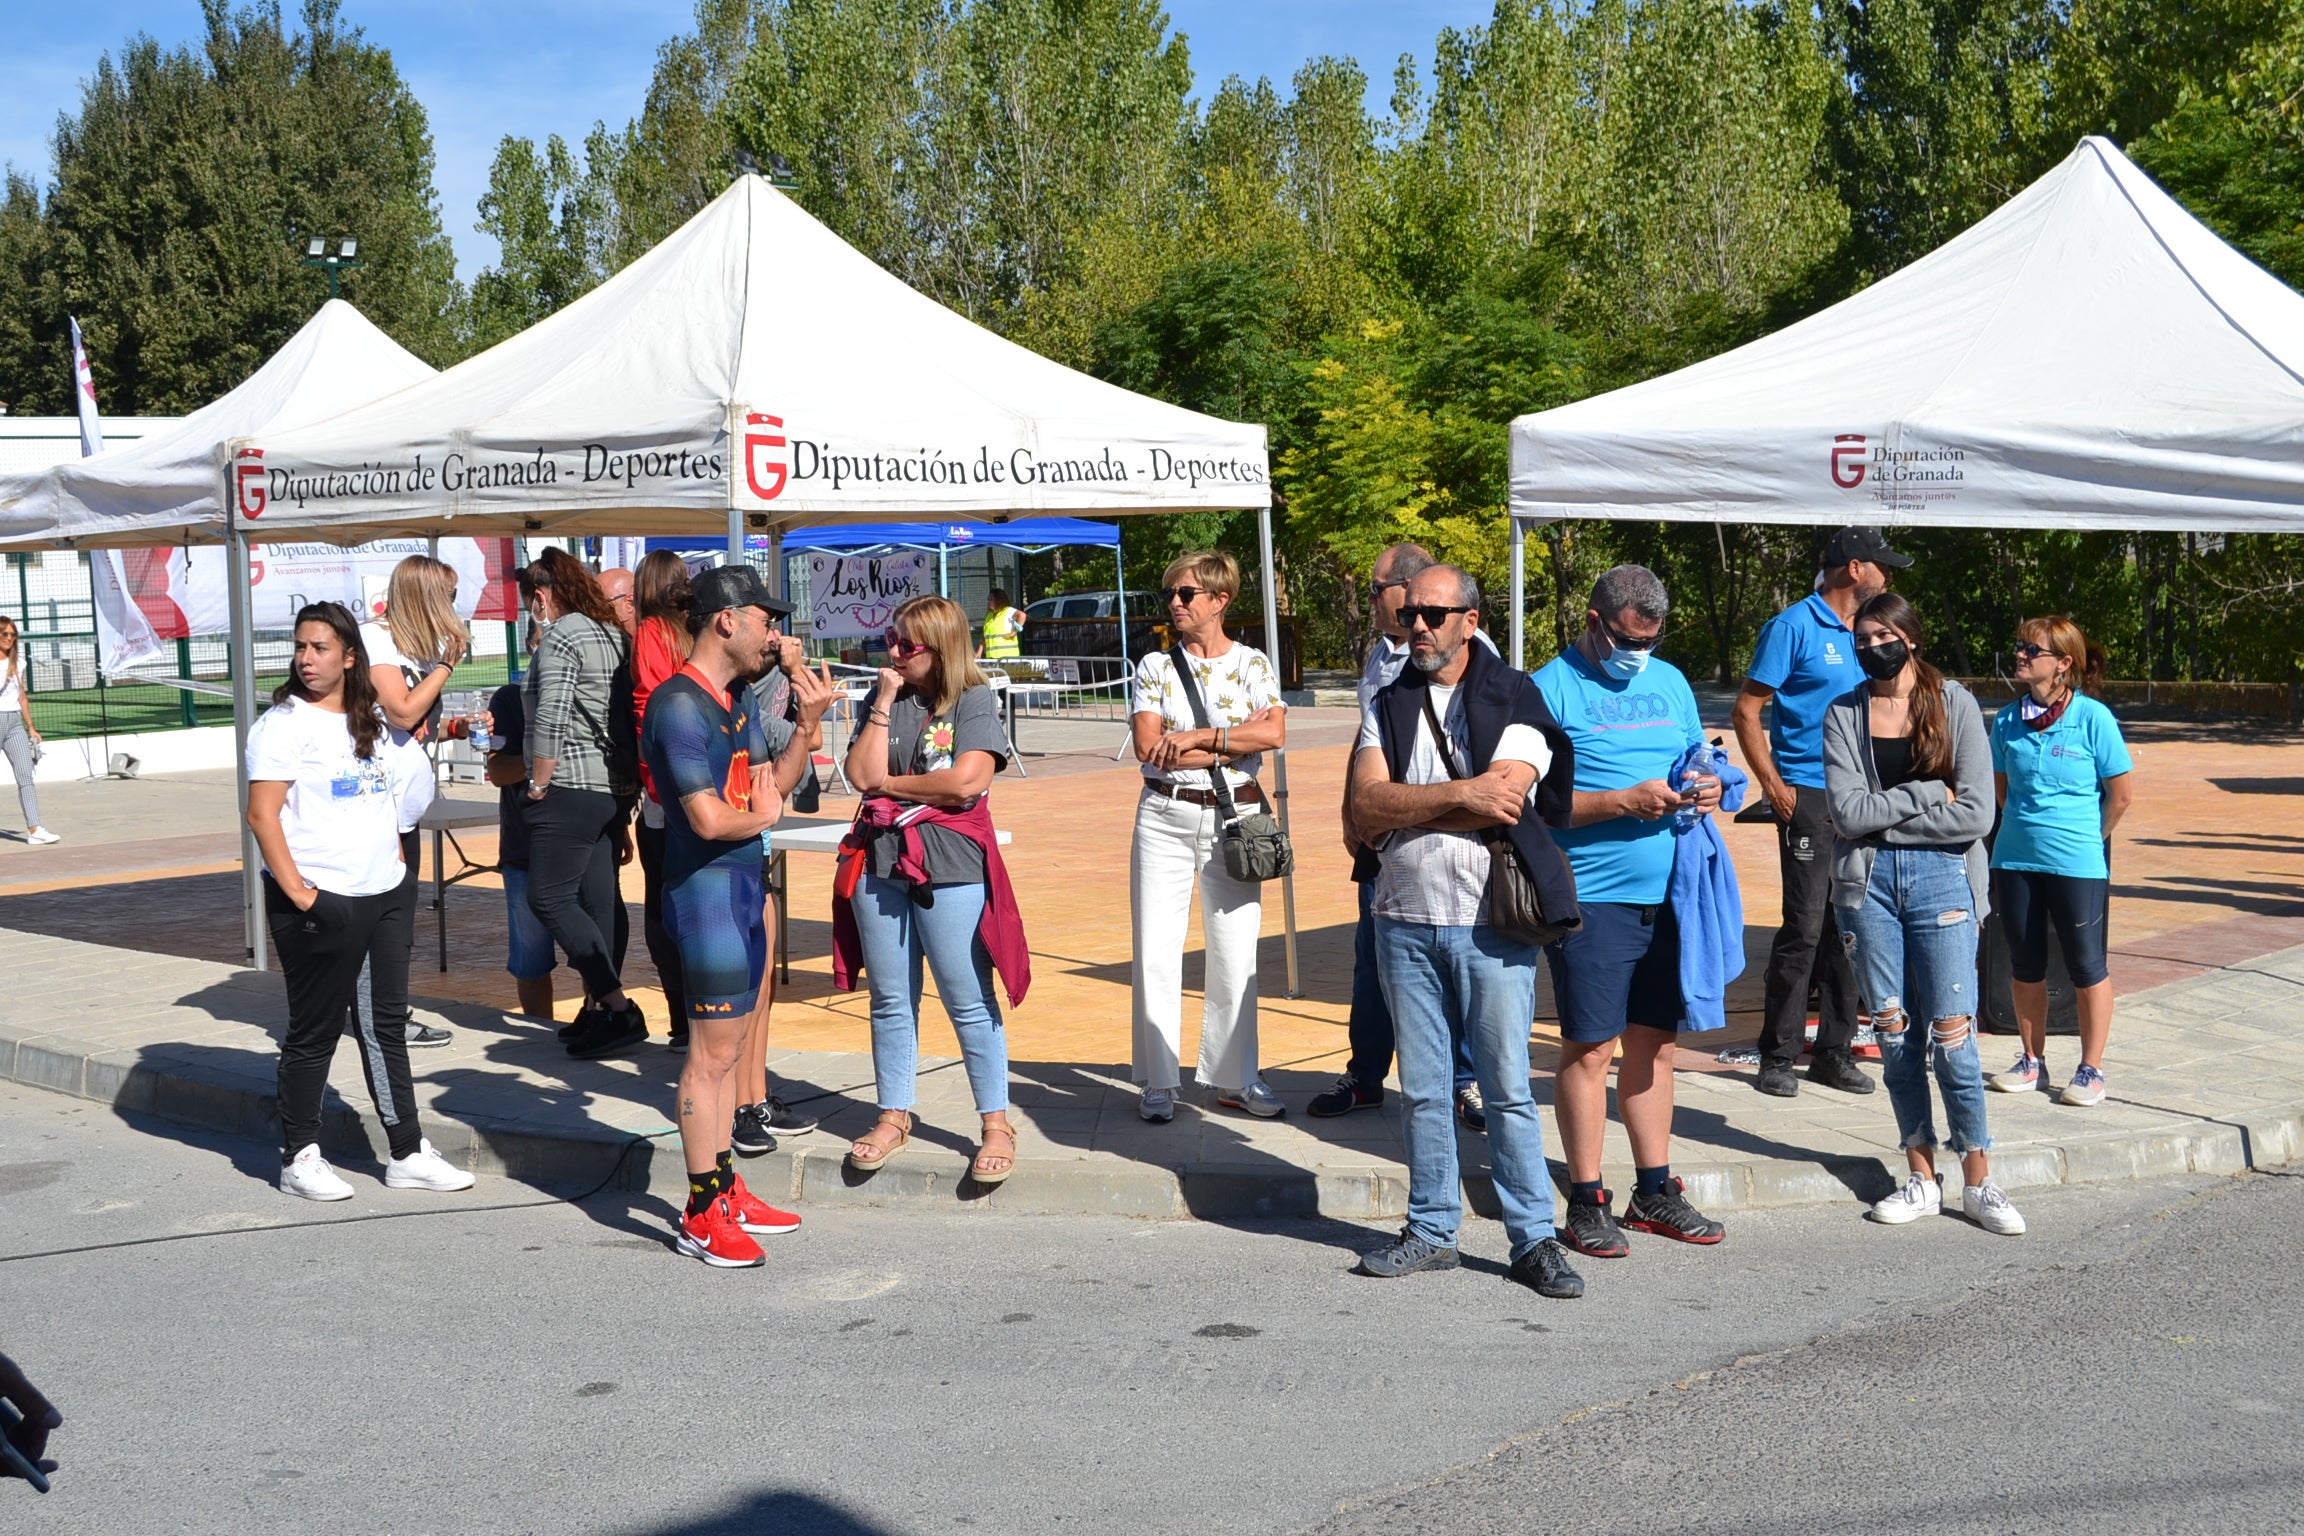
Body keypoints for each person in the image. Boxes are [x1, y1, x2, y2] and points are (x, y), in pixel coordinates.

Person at [1348, 565, 1585, 1299]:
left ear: (1470, 620)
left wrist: (1406, 805)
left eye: (1433, 614)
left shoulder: (1517, 695)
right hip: (1402, 917)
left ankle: (1534, 1240)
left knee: (1507, 1087)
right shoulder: (1386, 701)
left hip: (1492, 921)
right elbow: (1362, 807)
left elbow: (1506, 799)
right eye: (1408, 613)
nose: (1416, 626)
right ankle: (1431, 1230)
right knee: (1421, 1089)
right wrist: (1458, 795)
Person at [245, 601, 473, 1201]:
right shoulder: (282, 725)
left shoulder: (365, 716)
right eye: (300, 647)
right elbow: (262, 815)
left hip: (383, 892)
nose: (306, 659)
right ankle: (298, 1155)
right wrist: (301, 894)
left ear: (350, 657)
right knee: (314, 1031)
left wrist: (396, 863)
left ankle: (406, 1151)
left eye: (320, 648)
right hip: (321, 901)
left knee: (384, 1026)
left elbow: (398, 787)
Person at [1533, 565, 1730, 1257]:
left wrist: (1705, 786)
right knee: (1590, 1048)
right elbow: (1532, 806)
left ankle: (1654, 1188)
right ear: (1592, 622)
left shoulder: (1670, 681)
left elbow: (1695, 757)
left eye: (1650, 638)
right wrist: (1621, 802)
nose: (1637, 652)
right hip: (1592, 894)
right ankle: (1587, 1198)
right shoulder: (1547, 689)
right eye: (1625, 638)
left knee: (1657, 1044)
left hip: (1675, 893)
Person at [1826, 594, 2025, 1233]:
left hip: (1946, 883)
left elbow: (1976, 814)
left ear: (1911, 637)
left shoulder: (1955, 703)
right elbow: (1847, 815)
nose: (1871, 646)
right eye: (1861, 637)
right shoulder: (1844, 712)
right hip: (1867, 888)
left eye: (1883, 634)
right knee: (1894, 1037)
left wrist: (1889, 819)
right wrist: (1920, 795)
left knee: (1954, 1039)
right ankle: (1921, 1175)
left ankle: (1979, 1180)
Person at [835, 595, 1030, 1183]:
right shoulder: (886, 696)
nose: (891, 652)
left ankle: (996, 1123)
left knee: (967, 999)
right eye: (889, 640)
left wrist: (892, 784)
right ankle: (894, 1114)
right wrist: (885, 702)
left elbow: (968, 781)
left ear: (939, 649)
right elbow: (857, 776)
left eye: (905, 645)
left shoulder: (972, 699)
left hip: (951, 865)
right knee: (891, 998)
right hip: (881, 862)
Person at [640, 564, 804, 1266]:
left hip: (741, 889)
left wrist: (813, 719)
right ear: (725, 621)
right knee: (708, 1061)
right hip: (704, 896)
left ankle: (726, 1187)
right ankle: (701, 1210)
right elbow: (708, 819)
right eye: (767, 619)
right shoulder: (678, 704)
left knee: (731, 1051)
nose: (775, 633)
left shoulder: (733, 699)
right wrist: (762, 814)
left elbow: (774, 786)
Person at [1311, 543, 1487, 1129]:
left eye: (1376, 589)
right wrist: (1349, 813)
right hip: (1384, 842)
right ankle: (1366, 1076)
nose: (1372, 600)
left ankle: (1465, 1083)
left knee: (1456, 964)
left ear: (1411, 591)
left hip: (1449, 847)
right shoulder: (1379, 657)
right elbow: (1365, 745)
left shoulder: (1470, 653)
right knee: (1372, 959)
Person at [1733, 526, 1908, 1098]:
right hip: (1809, 793)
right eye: (1883, 564)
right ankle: (1777, 1057)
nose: (1889, 575)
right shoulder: (1793, 626)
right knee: (1806, 926)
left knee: (1852, 926)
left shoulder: (1872, 632)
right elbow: (1746, 710)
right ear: (1855, 568)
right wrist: (1774, 784)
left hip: (1865, 795)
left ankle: (1834, 1050)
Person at [1127, 551, 1288, 1122]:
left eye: (1186, 594)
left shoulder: (1251, 663)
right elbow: (1150, 746)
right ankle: (1158, 1080)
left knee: (1235, 952)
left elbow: (1273, 732)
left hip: (1234, 818)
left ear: (1220, 600)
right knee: (1156, 949)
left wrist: (1195, 735)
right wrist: (1231, 738)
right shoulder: (1154, 666)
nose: (1174, 602)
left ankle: (1235, 1077)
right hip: (1164, 817)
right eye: (1170, 593)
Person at [1986, 616, 2135, 1107]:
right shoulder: (2007, 720)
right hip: (2014, 859)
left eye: (2033, 649)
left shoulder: (2094, 718)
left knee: (2085, 965)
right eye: (2020, 646)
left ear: (2064, 664)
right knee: (2025, 963)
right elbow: (2001, 793)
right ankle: (2032, 1061)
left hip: (2077, 862)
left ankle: (2091, 1070)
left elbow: (2120, 796)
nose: (2021, 655)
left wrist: (2085, 840)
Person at [518, 549, 643, 1059]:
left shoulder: (565, 634)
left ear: (543, 596)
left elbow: (552, 711)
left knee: (547, 897)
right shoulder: (613, 633)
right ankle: (597, 1007)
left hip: (569, 784)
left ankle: (616, 1007)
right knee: (599, 899)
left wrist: (538, 784)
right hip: (610, 790)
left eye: (531, 600)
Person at [727, 617, 835, 1155]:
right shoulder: (707, 698)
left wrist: (802, 698)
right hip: (717, 865)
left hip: (754, 856)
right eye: (765, 626)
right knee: (735, 997)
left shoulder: (747, 697)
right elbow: (783, 767)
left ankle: (756, 1098)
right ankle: (733, 1108)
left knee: (762, 987)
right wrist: (805, 717)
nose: (774, 637)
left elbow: (781, 773)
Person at [360, 553, 477, 1048]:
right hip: (376, 809)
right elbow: (403, 711)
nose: (454, 606)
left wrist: (456, 728)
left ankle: (384, 1011)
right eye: (447, 596)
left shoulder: (418, 649)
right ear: (425, 597)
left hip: (407, 808)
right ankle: (385, 1017)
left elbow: (415, 727)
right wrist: (449, 663)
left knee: (400, 914)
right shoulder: (376, 639)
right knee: (387, 918)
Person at [630, 551, 696, 1051]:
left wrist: (652, 778)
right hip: (703, 780)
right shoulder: (694, 628)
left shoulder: (653, 631)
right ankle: (695, 1015)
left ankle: (682, 1016)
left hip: (664, 787)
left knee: (664, 906)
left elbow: (647, 703)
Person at [486, 619, 559, 1020]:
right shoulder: (510, 699)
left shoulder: (587, 697)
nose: (547, 653)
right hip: (524, 850)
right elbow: (497, 772)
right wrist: (544, 760)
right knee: (531, 960)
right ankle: (537, 1035)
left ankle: (601, 1022)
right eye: (539, 643)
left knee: (595, 958)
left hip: (580, 846)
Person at [0, 617, 57, 845]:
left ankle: (35, 830)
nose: (9, 638)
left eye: (13, 635)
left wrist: (31, 727)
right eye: (4, 634)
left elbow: (22, 697)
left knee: (26, 777)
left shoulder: (19, 663)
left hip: (14, 724)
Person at [979, 587, 1025, 661]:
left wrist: (1014, 633)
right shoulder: (989, 615)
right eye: (988, 599)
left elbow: (1022, 615)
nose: (988, 602)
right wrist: (979, 651)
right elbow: (985, 636)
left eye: (991, 599)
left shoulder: (1007, 611)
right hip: (992, 658)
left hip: (1008, 658)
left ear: (999, 600)